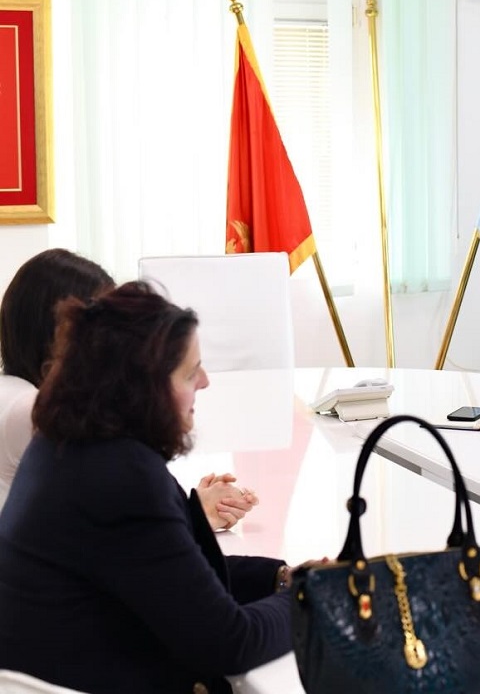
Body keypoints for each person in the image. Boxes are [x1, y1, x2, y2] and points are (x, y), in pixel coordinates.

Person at [0, 282, 292, 692]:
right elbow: (230, 644)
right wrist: (308, 598)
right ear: (144, 388)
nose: (205, 381)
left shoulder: (66, 442)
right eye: (190, 372)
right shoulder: (121, 476)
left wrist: (277, 578)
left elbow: (171, 571)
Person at [0, 249, 255, 529]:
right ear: (63, 330)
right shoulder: (34, 410)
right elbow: (121, 515)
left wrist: (190, 507)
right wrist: (197, 513)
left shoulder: (14, 390)